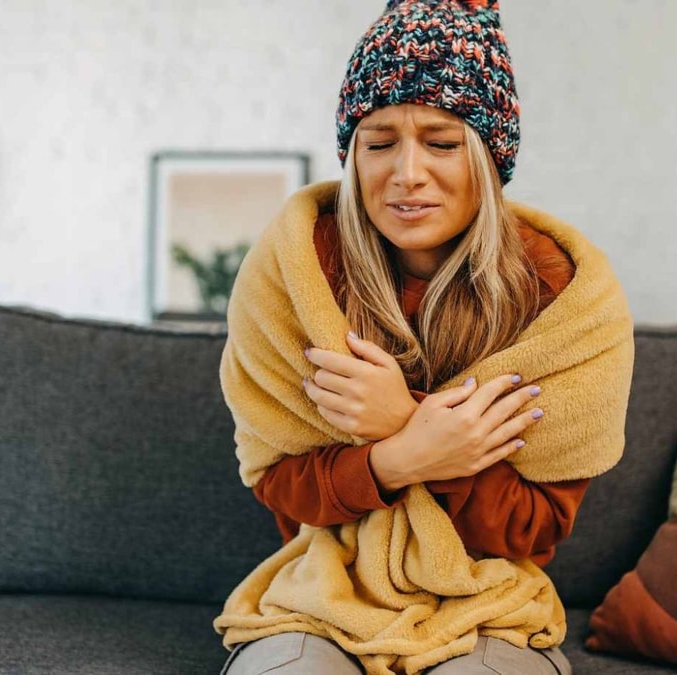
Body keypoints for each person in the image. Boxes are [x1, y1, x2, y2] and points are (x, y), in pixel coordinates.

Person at [214, 1, 635, 673]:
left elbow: (535, 528)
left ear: (489, 156)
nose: (406, 173)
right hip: (320, 599)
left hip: (490, 604)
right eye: (378, 143)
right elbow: (281, 487)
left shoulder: (562, 295)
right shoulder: (300, 270)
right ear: (352, 155)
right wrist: (402, 455)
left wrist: (401, 418)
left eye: (441, 142)